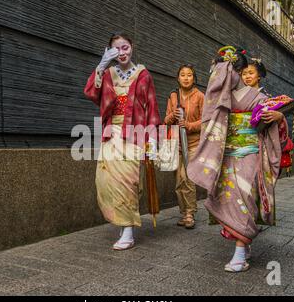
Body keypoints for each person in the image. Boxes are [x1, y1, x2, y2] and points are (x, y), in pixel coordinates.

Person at [187, 46, 288, 272]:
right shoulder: (223, 98)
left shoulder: (259, 97)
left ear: (236, 71)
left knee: (244, 197)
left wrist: (279, 117)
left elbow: (272, 126)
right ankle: (242, 244)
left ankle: (240, 254)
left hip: (250, 153)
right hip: (226, 155)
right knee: (227, 199)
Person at [84, 32, 161, 251]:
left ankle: (128, 230)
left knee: (128, 182)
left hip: (134, 133)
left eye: (125, 47)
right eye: (116, 49)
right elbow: (92, 94)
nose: (122, 52)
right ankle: (122, 222)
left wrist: (153, 140)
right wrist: (101, 65)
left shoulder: (143, 74)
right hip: (111, 132)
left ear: (132, 47)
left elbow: (152, 108)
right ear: (110, 51)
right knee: (106, 180)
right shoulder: (107, 73)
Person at [164, 65, 204, 229]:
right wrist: (173, 115)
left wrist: (189, 125)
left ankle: (190, 213)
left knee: (188, 178)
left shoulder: (200, 96)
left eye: (189, 75)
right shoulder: (173, 96)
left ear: (194, 78)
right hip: (176, 144)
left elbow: (206, 121)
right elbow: (165, 120)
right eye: (183, 75)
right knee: (179, 180)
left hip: (193, 143)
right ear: (178, 78)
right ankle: (185, 211)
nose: (186, 78)